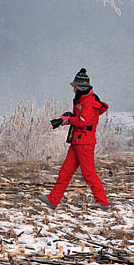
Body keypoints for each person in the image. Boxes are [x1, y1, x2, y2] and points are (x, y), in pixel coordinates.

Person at [39, 68, 109, 209]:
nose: (73, 90)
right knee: (65, 172)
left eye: (75, 87)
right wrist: (66, 118)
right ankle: (53, 200)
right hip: (77, 142)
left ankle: (102, 202)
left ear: (81, 87)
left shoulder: (89, 100)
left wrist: (68, 119)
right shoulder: (82, 99)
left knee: (89, 174)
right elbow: (80, 117)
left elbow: (84, 120)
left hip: (85, 143)